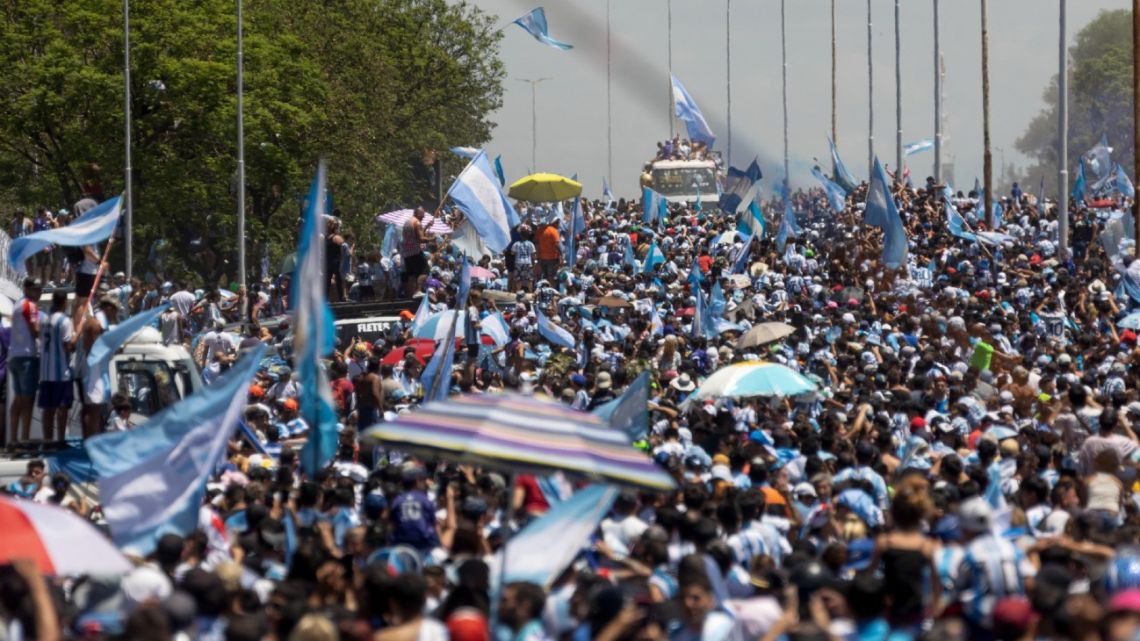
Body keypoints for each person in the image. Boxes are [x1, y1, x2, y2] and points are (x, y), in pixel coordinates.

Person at [8, 277, 42, 446]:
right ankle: (24, 439)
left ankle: (13, 438)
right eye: (36, 289)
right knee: (27, 401)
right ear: (27, 289)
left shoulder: (17, 305)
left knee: (18, 400)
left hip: (14, 356)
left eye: (40, 289)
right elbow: (35, 330)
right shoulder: (30, 305)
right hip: (27, 356)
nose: (39, 293)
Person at [38, 290, 74, 442]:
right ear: (65, 302)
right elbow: (68, 346)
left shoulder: (45, 320)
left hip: (46, 372)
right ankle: (60, 439)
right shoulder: (65, 321)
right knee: (62, 407)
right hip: (60, 372)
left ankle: (47, 440)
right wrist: (75, 339)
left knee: (48, 409)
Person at [401, 207, 432, 297]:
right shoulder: (417, 223)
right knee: (425, 271)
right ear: (419, 214)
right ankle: (418, 291)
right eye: (423, 216)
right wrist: (431, 239)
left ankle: (410, 293)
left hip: (407, 253)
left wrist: (426, 226)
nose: (423, 217)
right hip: (415, 252)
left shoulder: (407, 222)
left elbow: (415, 235)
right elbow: (421, 238)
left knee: (411, 275)